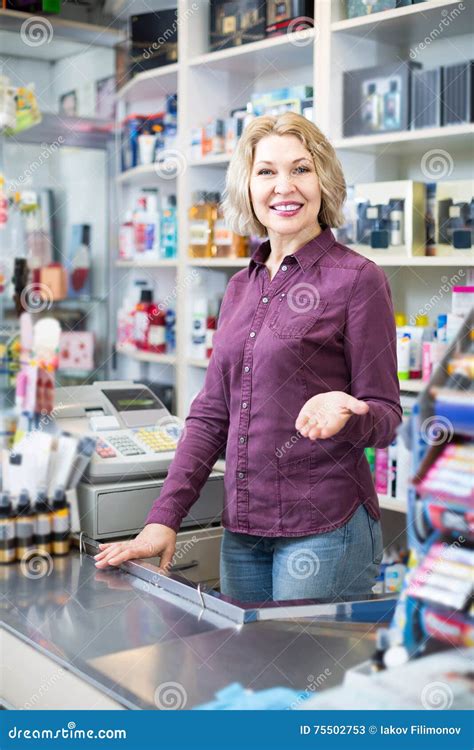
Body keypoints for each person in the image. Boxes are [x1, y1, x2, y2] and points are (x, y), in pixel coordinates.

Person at [95, 112, 402, 603]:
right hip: (244, 531)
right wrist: (163, 518)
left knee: (304, 676)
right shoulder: (241, 287)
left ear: (324, 181)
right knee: (247, 675)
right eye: (267, 172)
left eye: (301, 169)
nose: (285, 186)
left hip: (324, 526)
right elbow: (211, 414)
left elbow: (387, 416)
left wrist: (353, 411)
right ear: (248, 186)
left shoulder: (357, 279)